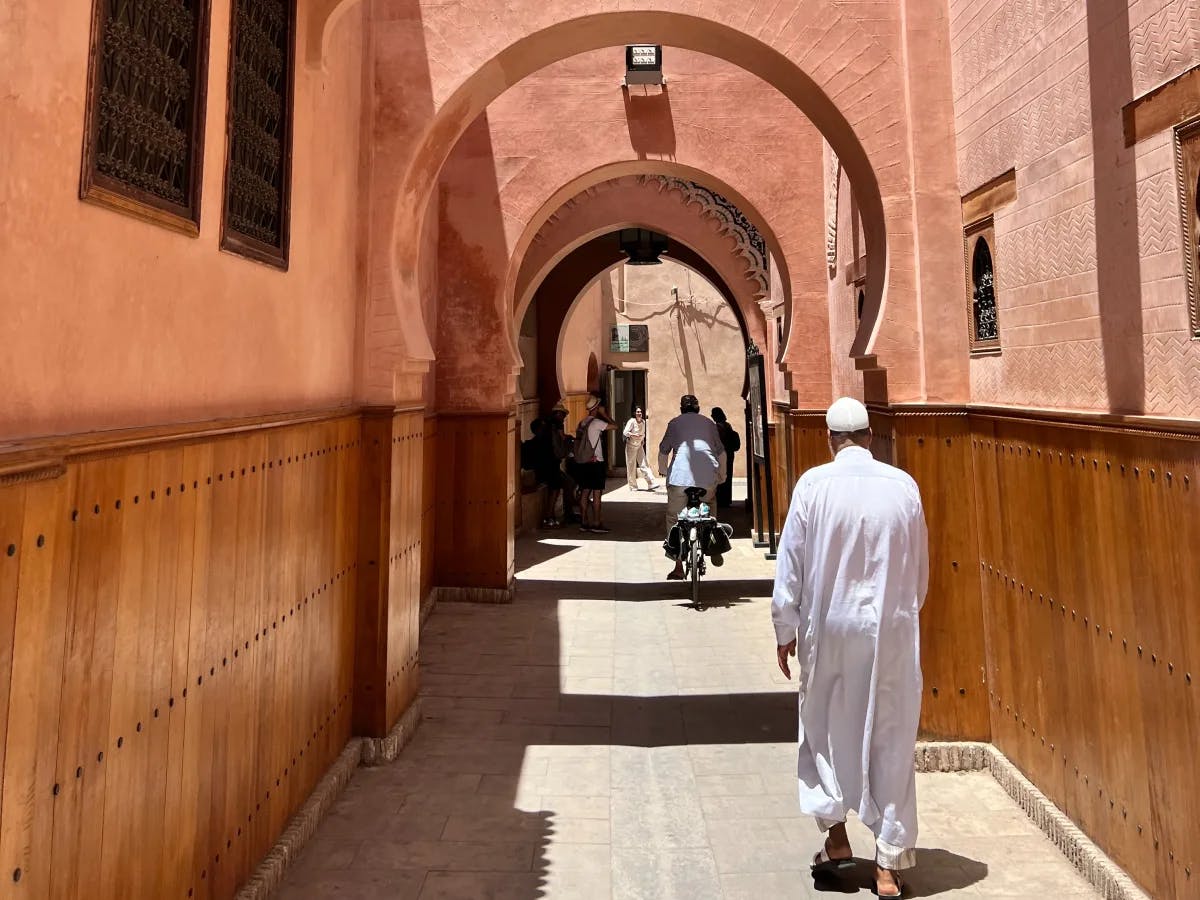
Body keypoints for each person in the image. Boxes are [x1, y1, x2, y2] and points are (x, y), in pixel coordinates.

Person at [770, 397, 929, 900]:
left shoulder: (813, 485)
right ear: (870, 436)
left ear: (829, 437)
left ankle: (836, 837)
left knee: (822, 728)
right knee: (891, 733)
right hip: (890, 629)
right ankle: (886, 865)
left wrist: (784, 628)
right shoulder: (904, 486)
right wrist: (901, 618)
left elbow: (789, 563)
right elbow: (918, 571)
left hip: (829, 630)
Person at [658, 394, 725, 580]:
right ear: (698, 408)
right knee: (710, 506)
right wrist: (721, 476)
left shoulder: (674, 423)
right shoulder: (709, 423)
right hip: (707, 476)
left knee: (674, 518)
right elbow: (721, 451)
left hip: (679, 477)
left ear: (681, 408)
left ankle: (678, 565)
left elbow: (663, 450)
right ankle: (713, 540)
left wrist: (664, 472)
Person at [573, 395, 616, 533]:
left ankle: (584, 522)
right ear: (596, 408)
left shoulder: (582, 423)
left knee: (585, 491)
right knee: (597, 493)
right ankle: (596, 523)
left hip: (583, 462)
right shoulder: (597, 423)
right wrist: (605, 414)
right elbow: (615, 426)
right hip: (596, 461)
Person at [621, 406, 658, 491]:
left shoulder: (643, 422)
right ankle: (633, 486)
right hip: (631, 446)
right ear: (634, 413)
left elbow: (643, 433)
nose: (639, 413)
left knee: (644, 464)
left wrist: (642, 440)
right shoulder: (631, 421)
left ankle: (650, 483)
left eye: (640, 412)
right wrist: (634, 435)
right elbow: (625, 432)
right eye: (637, 412)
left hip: (639, 446)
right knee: (631, 466)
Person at [711, 407, 740, 508]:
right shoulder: (727, 425)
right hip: (730, 454)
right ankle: (726, 499)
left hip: (720, 455)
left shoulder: (717, 428)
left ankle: (721, 500)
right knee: (728, 476)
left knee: (720, 476)